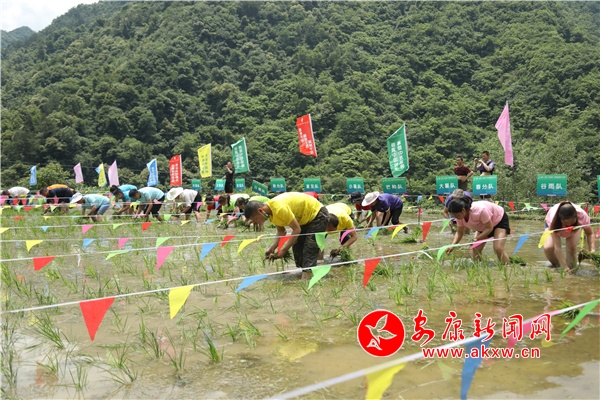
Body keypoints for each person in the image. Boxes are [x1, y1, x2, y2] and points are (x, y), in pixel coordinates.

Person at [244, 192, 329, 280]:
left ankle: (306, 280)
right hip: (304, 218)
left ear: (260, 210)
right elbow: (281, 231)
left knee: (310, 247)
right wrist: (272, 248)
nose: (257, 222)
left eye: (256, 219)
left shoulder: (279, 208)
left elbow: (296, 230)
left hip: (318, 214)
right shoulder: (271, 213)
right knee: (297, 248)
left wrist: (283, 250)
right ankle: (307, 273)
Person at [446, 197, 510, 263]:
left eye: (456, 215)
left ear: (463, 210)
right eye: (453, 215)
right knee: (476, 249)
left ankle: (507, 267)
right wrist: (452, 245)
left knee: (498, 248)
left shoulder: (480, 211)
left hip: (498, 220)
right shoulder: (459, 217)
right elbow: (459, 232)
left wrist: (477, 238)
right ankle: (479, 267)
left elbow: (489, 228)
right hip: (484, 225)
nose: (455, 218)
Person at [543, 201, 595, 273]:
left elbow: (589, 233)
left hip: (575, 228)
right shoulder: (553, 221)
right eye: (566, 223)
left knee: (572, 248)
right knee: (548, 248)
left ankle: (572, 271)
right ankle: (557, 266)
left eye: (572, 222)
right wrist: (564, 267)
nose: (569, 225)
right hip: (555, 227)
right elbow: (557, 248)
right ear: (561, 219)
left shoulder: (582, 216)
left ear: (576, 216)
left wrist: (592, 250)